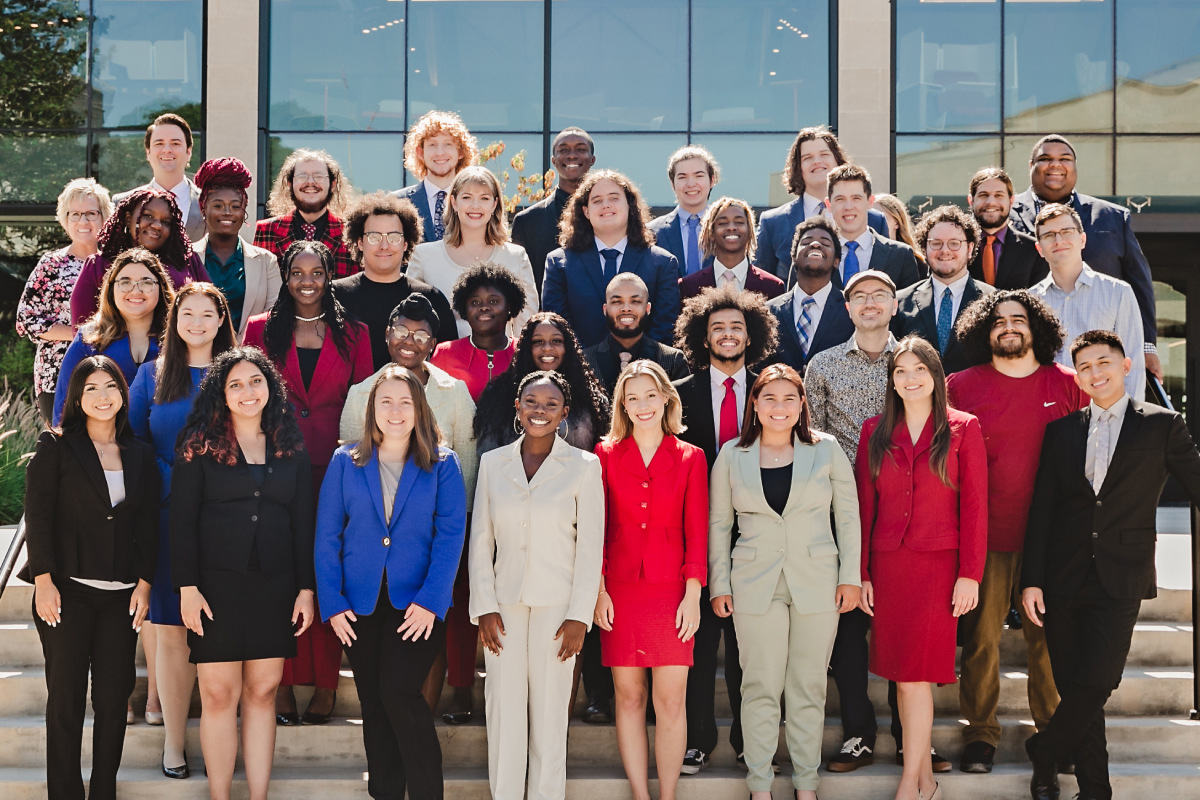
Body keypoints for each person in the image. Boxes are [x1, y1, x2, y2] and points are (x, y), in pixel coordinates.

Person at [1022, 330, 1200, 800]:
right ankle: (1095, 791)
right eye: (1084, 367)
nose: (1095, 372)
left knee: (1098, 680)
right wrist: (1032, 581)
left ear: (1125, 366)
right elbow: (1043, 509)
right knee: (1076, 686)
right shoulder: (1060, 432)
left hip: (1122, 575)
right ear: (1076, 377)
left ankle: (1044, 750)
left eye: (1104, 362)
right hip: (1062, 578)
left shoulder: (1162, 425)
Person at [947, 290, 1088, 774]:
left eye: (1019, 319)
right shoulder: (961, 386)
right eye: (999, 321)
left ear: (1036, 328)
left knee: (1047, 641)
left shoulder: (1069, 383)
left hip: (1052, 539)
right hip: (986, 535)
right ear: (984, 332)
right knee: (982, 639)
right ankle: (981, 734)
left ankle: (1053, 733)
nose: (1009, 327)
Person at [709, 363, 861, 800]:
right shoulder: (731, 455)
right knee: (759, 685)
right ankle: (760, 785)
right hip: (754, 583)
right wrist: (720, 584)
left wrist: (850, 576)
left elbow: (847, 518)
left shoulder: (826, 449)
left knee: (808, 686)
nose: (779, 407)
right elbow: (719, 524)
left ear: (802, 405)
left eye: (789, 398)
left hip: (818, 581)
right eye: (769, 398)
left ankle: (806, 785)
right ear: (754, 403)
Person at [316, 365, 468, 800]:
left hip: (417, 605)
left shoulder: (443, 463)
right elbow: (327, 535)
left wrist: (431, 600)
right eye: (386, 401)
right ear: (372, 409)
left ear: (419, 408)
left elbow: (450, 536)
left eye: (405, 401)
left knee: (397, 694)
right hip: (358, 606)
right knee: (374, 707)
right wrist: (332, 601)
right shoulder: (346, 461)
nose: (395, 410)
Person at [171, 347, 316, 800]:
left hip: (275, 586)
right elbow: (181, 521)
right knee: (217, 695)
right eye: (235, 383)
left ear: (270, 387)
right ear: (222, 393)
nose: (247, 391)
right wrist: (187, 587)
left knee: (263, 692)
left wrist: (306, 589)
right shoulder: (198, 445)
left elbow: (303, 523)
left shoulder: (290, 447)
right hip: (215, 587)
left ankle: (258, 797)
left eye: (255, 381)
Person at [244, 240, 374, 727]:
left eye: (316, 271)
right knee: (281, 570)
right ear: (284, 275)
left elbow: (363, 404)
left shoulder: (353, 333)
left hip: (337, 469)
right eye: (296, 271)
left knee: (327, 571)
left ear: (328, 276)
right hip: (276, 466)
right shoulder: (260, 330)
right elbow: (247, 392)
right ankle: (278, 683)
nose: (306, 280)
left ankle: (324, 683)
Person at [855, 336, 987, 800]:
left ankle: (913, 781)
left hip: (938, 569)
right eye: (900, 372)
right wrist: (862, 573)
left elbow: (974, 509)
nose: (910, 380)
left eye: (919, 370)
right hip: (889, 568)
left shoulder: (963, 428)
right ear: (891, 381)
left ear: (935, 376)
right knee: (903, 676)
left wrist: (970, 573)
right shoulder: (875, 431)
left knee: (916, 676)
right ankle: (921, 778)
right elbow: (862, 510)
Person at [338, 293, 479, 725]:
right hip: (374, 551)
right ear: (387, 335)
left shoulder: (454, 393)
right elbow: (351, 466)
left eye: (421, 335)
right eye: (401, 331)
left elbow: (468, 469)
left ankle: (425, 710)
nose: (409, 341)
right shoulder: (363, 392)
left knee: (428, 632)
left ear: (433, 344)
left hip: (433, 539)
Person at [22, 355, 158, 800]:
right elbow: (38, 516)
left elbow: (148, 524)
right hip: (67, 593)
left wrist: (145, 582)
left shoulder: (139, 453)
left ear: (123, 394)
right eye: (91, 389)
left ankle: (103, 791)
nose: (103, 397)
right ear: (77, 398)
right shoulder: (56, 446)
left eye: (111, 387)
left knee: (113, 702)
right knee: (65, 700)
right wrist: (43, 579)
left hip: (122, 597)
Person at [469, 370, 605, 800]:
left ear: (565, 412)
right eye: (531, 402)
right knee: (504, 712)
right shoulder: (493, 464)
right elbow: (480, 541)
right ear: (517, 407)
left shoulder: (585, 467)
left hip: (558, 611)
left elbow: (591, 547)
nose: (540, 411)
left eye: (550, 404)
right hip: (503, 607)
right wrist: (485, 606)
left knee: (549, 715)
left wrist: (579, 615)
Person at [129, 282, 237, 780]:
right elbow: (131, 446)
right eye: (186, 313)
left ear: (221, 320)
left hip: (227, 518)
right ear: (174, 320)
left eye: (206, 314)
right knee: (170, 633)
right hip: (167, 515)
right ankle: (174, 743)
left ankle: (222, 733)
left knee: (218, 627)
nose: (196, 322)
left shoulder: (238, 375)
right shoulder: (151, 377)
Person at [671, 283, 779, 774]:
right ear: (702, 335)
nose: (728, 334)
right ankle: (697, 739)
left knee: (748, 649)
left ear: (751, 333)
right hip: (691, 535)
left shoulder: (771, 392)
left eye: (737, 326)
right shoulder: (679, 394)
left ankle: (747, 741)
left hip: (755, 536)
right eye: (718, 327)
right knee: (697, 646)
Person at [805, 269, 909, 774]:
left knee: (900, 626)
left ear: (894, 304)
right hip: (839, 513)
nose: (870, 303)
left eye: (880, 295)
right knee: (848, 632)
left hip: (903, 510)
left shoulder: (915, 360)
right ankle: (858, 733)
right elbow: (813, 442)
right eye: (860, 296)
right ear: (847, 308)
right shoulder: (822, 365)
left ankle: (912, 736)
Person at [593, 360, 708, 800]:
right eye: (632, 396)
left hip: (672, 593)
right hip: (618, 591)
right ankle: (641, 794)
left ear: (666, 399)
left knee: (671, 700)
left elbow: (697, 531)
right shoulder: (604, 455)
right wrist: (599, 589)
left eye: (650, 395)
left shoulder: (690, 457)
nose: (642, 405)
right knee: (628, 697)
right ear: (623, 402)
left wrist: (693, 595)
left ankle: (669, 795)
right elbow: (596, 528)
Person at [1009, 135, 1160, 382]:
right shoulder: (1006, 214)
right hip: (1036, 360)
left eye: (1064, 159)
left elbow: (1139, 282)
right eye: (1045, 159)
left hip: (1101, 360)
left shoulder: (1112, 217)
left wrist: (1147, 346)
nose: (1055, 165)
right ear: (1031, 166)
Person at [542, 169, 681, 348]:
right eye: (597, 200)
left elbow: (664, 328)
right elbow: (558, 327)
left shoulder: (662, 263)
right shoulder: (558, 263)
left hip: (643, 371)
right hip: (579, 370)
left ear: (630, 205)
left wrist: (632, 367)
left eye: (614, 198)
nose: (605, 205)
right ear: (585, 211)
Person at [17, 178, 113, 423]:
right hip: (57, 375)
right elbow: (26, 319)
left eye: (91, 213)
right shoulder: (50, 264)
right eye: (75, 214)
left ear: (105, 217)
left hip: (111, 374)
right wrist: (81, 333)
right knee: (66, 454)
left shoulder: (117, 265)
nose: (83, 221)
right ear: (64, 218)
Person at [1028, 203, 1145, 400]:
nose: (1058, 240)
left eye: (1066, 231)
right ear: (1040, 249)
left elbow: (1133, 364)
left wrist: (1131, 422)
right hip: (1048, 414)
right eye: (1049, 235)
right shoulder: (1029, 302)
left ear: (1082, 239)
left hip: (1103, 412)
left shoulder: (1118, 292)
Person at [406, 165, 539, 337]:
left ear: (495, 204)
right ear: (454, 202)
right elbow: (410, 318)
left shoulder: (516, 256)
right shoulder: (424, 257)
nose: (475, 205)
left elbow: (526, 323)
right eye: (467, 197)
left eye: (484, 198)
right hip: (441, 361)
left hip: (502, 362)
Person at [333, 191, 458, 370]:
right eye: (374, 237)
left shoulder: (431, 299)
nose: (384, 245)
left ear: (405, 243)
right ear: (360, 243)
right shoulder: (335, 296)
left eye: (393, 237)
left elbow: (447, 364)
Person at [54, 248, 175, 425]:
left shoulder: (179, 338)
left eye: (146, 282)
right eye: (125, 282)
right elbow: (64, 406)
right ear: (111, 289)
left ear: (161, 288)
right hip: (103, 447)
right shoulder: (88, 339)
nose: (136, 290)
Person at [755, 126, 889, 282]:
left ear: (837, 161)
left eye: (824, 154)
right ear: (798, 167)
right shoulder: (773, 223)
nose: (817, 162)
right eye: (808, 158)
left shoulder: (875, 220)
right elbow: (763, 283)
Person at [474, 312, 611, 456]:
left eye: (556, 341)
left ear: (568, 347)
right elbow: (487, 456)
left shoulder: (592, 399)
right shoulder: (498, 395)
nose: (547, 348)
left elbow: (602, 456)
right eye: (538, 342)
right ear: (527, 348)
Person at [70, 188, 208, 326]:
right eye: (148, 216)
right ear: (128, 218)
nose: (157, 225)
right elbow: (83, 328)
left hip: (178, 347)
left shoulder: (187, 261)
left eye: (166, 222)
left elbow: (210, 308)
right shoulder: (98, 265)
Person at [892, 205, 996, 375]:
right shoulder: (900, 302)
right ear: (924, 249)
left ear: (969, 249)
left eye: (954, 243)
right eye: (936, 243)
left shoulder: (994, 301)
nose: (945, 250)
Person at [192, 157, 281, 340]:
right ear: (203, 209)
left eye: (235, 206)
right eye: (218, 205)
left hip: (248, 358)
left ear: (244, 211)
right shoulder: (187, 257)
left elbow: (274, 317)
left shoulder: (266, 262)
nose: (227, 212)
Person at [511, 127, 596, 290]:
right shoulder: (527, 221)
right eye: (563, 150)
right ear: (553, 160)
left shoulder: (610, 215)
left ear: (592, 159)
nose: (572, 155)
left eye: (581, 149)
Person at [254, 148, 356, 279]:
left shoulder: (350, 232)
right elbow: (259, 286)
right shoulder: (266, 231)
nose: (310, 182)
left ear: (332, 184)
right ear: (290, 184)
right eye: (302, 176)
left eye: (319, 176)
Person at [767, 216, 853, 371]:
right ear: (794, 257)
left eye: (825, 243)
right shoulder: (769, 311)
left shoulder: (851, 309)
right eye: (806, 242)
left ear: (836, 261)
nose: (815, 244)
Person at [430, 262, 524, 401]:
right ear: (464, 309)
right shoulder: (444, 354)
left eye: (493, 301)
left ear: (509, 306)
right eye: (475, 302)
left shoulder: (524, 351)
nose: (484, 307)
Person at [584, 273, 690, 395]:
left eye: (635, 301)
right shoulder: (584, 362)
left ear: (648, 308)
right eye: (617, 301)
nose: (626, 308)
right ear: (605, 309)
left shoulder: (673, 361)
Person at [825, 163, 922, 292]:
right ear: (828, 204)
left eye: (856, 198)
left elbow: (908, 308)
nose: (848, 207)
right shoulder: (814, 254)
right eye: (840, 199)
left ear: (870, 202)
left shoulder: (900, 255)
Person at [113, 113, 205, 242]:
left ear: (189, 152)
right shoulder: (122, 204)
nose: (167, 149)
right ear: (148, 153)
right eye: (159, 143)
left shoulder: (208, 204)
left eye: (175, 143)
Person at [394, 110, 479, 241]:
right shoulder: (397, 202)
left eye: (448, 144)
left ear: (461, 152)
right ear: (420, 153)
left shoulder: (477, 203)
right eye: (432, 144)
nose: (440, 152)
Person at [678, 197, 785, 301]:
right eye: (723, 223)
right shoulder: (688, 287)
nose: (731, 227)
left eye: (739, 222)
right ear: (711, 233)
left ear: (750, 231)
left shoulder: (773, 287)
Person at [966, 167, 1048, 291]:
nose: (991, 202)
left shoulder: (1034, 251)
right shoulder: (956, 247)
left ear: (1011, 201)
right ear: (971, 200)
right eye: (983, 195)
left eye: (999, 195)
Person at [648, 145, 720, 276]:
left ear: (712, 180)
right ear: (672, 184)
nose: (691, 183)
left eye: (699, 176)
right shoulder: (652, 232)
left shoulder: (726, 228)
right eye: (682, 177)